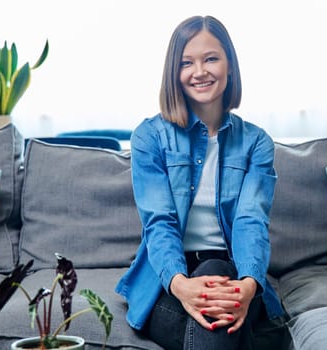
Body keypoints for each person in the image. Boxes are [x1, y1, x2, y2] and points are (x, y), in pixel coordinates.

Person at [115, 15, 286, 350]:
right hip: (170, 282)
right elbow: (159, 222)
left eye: (211, 58)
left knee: (216, 275)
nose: (200, 71)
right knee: (224, 326)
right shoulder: (150, 137)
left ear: (230, 66)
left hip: (234, 274)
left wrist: (248, 286)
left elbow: (251, 221)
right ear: (174, 74)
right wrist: (182, 286)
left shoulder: (256, 143)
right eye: (187, 62)